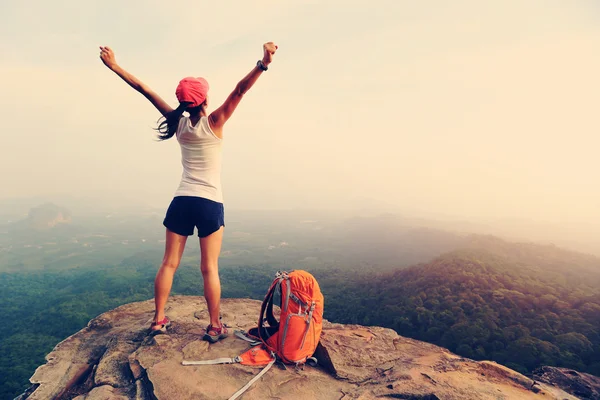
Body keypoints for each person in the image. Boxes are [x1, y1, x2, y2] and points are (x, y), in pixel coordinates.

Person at [99, 42, 278, 342]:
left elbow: (143, 89)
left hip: (181, 200)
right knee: (209, 268)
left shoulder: (177, 123)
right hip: (209, 202)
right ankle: (214, 326)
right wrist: (264, 62)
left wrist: (114, 65)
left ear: (183, 102)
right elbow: (239, 91)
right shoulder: (215, 122)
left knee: (169, 262)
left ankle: (158, 320)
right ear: (205, 99)